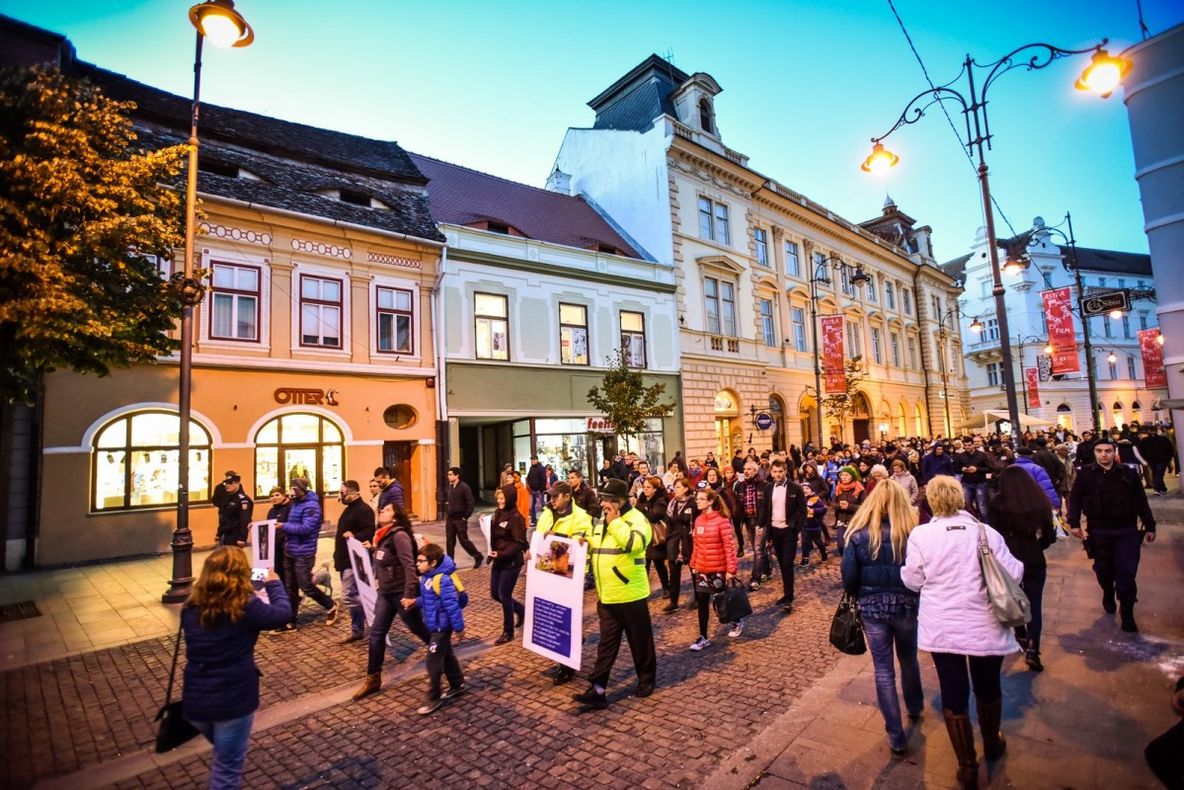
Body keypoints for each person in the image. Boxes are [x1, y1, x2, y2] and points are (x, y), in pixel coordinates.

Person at [901, 476, 1024, 789]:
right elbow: (1014, 571)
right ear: (960, 499)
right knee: (988, 685)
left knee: (953, 690)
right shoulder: (985, 532)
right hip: (984, 622)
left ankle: (967, 765)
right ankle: (992, 740)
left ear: (931, 502)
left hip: (944, 625)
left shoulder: (922, 535)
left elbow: (913, 580)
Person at [181, 547, 291, 789]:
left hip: (196, 701)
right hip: (231, 698)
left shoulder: (191, 606)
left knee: (224, 754)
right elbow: (282, 614)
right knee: (227, 770)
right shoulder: (244, 606)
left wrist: (255, 579)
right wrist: (273, 582)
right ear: (241, 574)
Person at [841, 479, 922, 759]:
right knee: (909, 659)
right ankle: (915, 706)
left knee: (884, 671)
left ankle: (896, 736)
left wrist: (859, 593)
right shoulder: (913, 532)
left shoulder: (858, 535)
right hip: (907, 603)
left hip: (872, 607)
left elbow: (849, 578)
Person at [572, 478, 656, 710]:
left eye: (608, 500)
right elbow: (599, 545)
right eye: (602, 499)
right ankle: (598, 690)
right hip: (607, 594)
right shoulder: (604, 518)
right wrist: (585, 542)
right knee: (606, 645)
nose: (603, 504)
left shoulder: (636, 519)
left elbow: (634, 545)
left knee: (640, 641)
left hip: (630, 593)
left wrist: (615, 522)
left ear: (620, 501)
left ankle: (646, 680)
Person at [1067, 437, 1156, 632]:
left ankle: (1127, 611)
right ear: (1094, 453)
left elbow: (1141, 500)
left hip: (1126, 530)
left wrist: (1150, 526)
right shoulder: (1085, 474)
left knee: (1126, 573)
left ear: (1114, 452)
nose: (1104, 455)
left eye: (1108, 451)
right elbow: (1075, 499)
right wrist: (1074, 523)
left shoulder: (1128, 473)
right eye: (1099, 451)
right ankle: (1107, 591)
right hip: (1099, 531)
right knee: (1103, 570)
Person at [352, 503, 432, 699]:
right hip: (386, 593)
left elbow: (409, 565)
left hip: (401, 593)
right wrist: (372, 548)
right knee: (377, 633)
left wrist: (410, 594)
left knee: (418, 629)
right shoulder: (382, 535)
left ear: (395, 517)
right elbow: (386, 558)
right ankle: (373, 678)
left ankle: (445, 656)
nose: (382, 511)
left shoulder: (399, 535)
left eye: (387, 510)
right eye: (382, 509)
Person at [988, 466, 1056, 672]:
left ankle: (1020, 634)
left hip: (1007, 559)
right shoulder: (1038, 502)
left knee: (1013, 600)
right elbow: (1049, 536)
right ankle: (1033, 649)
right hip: (1033, 558)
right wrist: (1036, 546)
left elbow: (992, 534)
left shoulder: (997, 503)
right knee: (1035, 604)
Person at [536, 481, 594, 685]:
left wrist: (558, 537)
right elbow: (539, 538)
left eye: (555, 496)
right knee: (553, 617)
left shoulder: (581, 517)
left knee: (566, 619)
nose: (551, 500)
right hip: (548, 571)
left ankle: (567, 666)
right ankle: (567, 650)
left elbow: (581, 543)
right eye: (550, 496)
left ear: (567, 497)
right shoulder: (547, 513)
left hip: (570, 575)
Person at [414, 543, 467, 715]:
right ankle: (457, 684)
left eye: (421, 561)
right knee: (446, 655)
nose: (417, 564)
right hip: (435, 625)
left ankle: (434, 697)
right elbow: (428, 600)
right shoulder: (426, 577)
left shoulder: (442, 580)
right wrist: (414, 601)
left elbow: (452, 606)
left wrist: (459, 628)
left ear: (433, 562)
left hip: (442, 627)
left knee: (433, 661)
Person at [276, 478, 336, 629]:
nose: (291, 492)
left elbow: (306, 528)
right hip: (290, 550)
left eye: (294, 489)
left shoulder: (312, 506)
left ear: (302, 489)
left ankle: (330, 605)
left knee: (305, 585)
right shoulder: (295, 504)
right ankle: (290, 621)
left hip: (303, 552)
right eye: (290, 488)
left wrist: (283, 526)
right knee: (290, 587)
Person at [688, 487, 741, 650]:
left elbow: (729, 546)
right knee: (702, 601)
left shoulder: (722, 521)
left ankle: (736, 620)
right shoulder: (698, 520)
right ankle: (703, 637)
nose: (697, 501)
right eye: (697, 498)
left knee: (722, 600)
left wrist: (731, 570)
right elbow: (697, 545)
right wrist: (694, 564)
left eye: (701, 499)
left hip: (718, 568)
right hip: (702, 569)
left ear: (710, 501)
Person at [333, 480, 375, 644]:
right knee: (353, 595)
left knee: (348, 596)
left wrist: (355, 536)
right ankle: (357, 630)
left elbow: (369, 531)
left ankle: (375, 608)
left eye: (342, 493)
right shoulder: (349, 509)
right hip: (344, 559)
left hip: (354, 562)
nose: (340, 496)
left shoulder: (364, 510)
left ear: (352, 493)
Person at [489, 484, 527, 645]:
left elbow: (518, 543)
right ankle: (521, 610)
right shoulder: (498, 512)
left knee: (504, 594)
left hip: (511, 562)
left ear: (510, 498)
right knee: (495, 594)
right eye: (498, 497)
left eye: (502, 498)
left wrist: (502, 553)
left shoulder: (516, 518)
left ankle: (508, 631)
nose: (499, 500)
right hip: (498, 559)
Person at [767, 459, 806, 610]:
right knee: (782, 564)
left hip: (789, 531)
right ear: (771, 472)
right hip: (774, 530)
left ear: (785, 471)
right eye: (775, 472)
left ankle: (789, 597)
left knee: (787, 563)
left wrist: (796, 529)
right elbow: (765, 509)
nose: (777, 474)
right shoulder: (769, 488)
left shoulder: (795, 488)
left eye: (780, 471)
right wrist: (763, 529)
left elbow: (802, 511)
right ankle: (786, 593)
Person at [735, 460, 772, 591]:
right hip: (748, 521)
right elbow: (739, 505)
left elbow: (766, 506)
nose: (746, 471)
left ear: (755, 471)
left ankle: (755, 578)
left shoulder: (764, 485)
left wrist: (762, 522)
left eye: (749, 469)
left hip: (760, 521)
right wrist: (740, 521)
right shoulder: (740, 486)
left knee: (758, 549)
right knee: (758, 548)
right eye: (745, 469)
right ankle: (767, 570)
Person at [663, 477, 696, 613]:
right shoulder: (672, 504)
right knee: (674, 573)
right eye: (674, 487)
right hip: (674, 542)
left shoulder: (693, 503)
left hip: (689, 541)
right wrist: (669, 539)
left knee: (694, 570)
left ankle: (698, 597)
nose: (675, 490)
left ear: (686, 488)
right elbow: (668, 523)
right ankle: (673, 601)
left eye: (678, 487)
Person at [636, 476, 671, 599]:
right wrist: (645, 508)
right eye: (644, 487)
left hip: (655, 537)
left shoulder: (660, 500)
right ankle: (642, 590)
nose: (645, 489)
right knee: (644, 565)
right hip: (643, 535)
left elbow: (653, 516)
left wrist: (644, 509)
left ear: (655, 489)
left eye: (648, 487)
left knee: (659, 564)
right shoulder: (641, 499)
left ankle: (666, 588)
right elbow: (636, 513)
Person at [444, 467, 483, 569]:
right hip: (450, 519)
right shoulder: (450, 487)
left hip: (460, 519)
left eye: (450, 474)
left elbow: (471, 502)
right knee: (450, 542)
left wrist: (466, 516)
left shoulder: (464, 487)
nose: (448, 476)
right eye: (448, 474)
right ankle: (450, 563)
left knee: (464, 541)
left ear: (457, 475)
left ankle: (478, 556)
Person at [832, 466, 864, 556]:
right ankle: (845, 559)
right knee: (841, 545)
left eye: (847, 475)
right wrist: (839, 506)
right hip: (841, 519)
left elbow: (864, 506)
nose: (844, 477)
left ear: (852, 476)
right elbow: (833, 503)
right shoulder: (838, 487)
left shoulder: (860, 489)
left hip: (855, 520)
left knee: (854, 544)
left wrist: (849, 506)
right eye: (842, 475)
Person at [215, 473, 252, 548]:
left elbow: (245, 520)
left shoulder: (243, 500)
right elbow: (224, 518)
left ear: (237, 484)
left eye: (230, 483)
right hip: (225, 534)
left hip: (235, 535)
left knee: (233, 555)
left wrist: (242, 538)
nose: (227, 485)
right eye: (226, 483)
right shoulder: (227, 498)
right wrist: (219, 533)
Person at [800, 482, 828, 564]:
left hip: (815, 525)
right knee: (805, 542)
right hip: (804, 525)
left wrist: (814, 510)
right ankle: (805, 559)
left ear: (811, 490)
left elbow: (823, 509)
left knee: (818, 541)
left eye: (807, 488)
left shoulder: (816, 499)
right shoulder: (801, 499)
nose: (805, 490)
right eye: (803, 489)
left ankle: (824, 553)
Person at [526, 455, 548, 526]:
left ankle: (542, 521)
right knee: (532, 506)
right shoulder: (531, 468)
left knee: (540, 506)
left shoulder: (541, 468)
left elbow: (543, 480)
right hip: (533, 490)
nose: (532, 461)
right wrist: (530, 485)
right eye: (531, 460)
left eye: (534, 459)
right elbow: (528, 477)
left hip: (539, 491)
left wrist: (540, 489)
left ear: (537, 460)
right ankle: (534, 520)